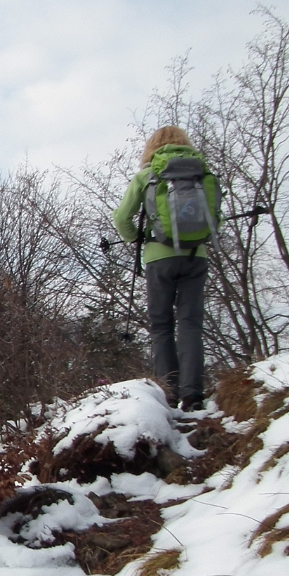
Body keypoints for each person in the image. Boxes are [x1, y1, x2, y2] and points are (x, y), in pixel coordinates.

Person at [112, 126, 217, 412]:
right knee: (191, 323)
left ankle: (168, 394)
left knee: (161, 326)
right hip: (196, 254)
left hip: (159, 257)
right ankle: (194, 395)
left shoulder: (147, 175)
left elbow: (121, 218)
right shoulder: (201, 173)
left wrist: (136, 237)